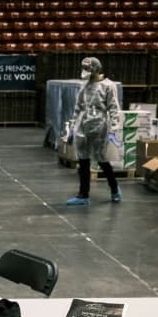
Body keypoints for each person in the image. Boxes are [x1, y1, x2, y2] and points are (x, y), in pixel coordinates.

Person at [66, 57, 122, 206]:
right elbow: (78, 106)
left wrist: (113, 130)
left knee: (102, 159)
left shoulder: (108, 86)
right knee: (83, 160)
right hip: (82, 125)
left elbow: (114, 109)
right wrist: (72, 127)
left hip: (99, 125)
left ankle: (115, 189)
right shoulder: (84, 85)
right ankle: (83, 194)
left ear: (96, 69)